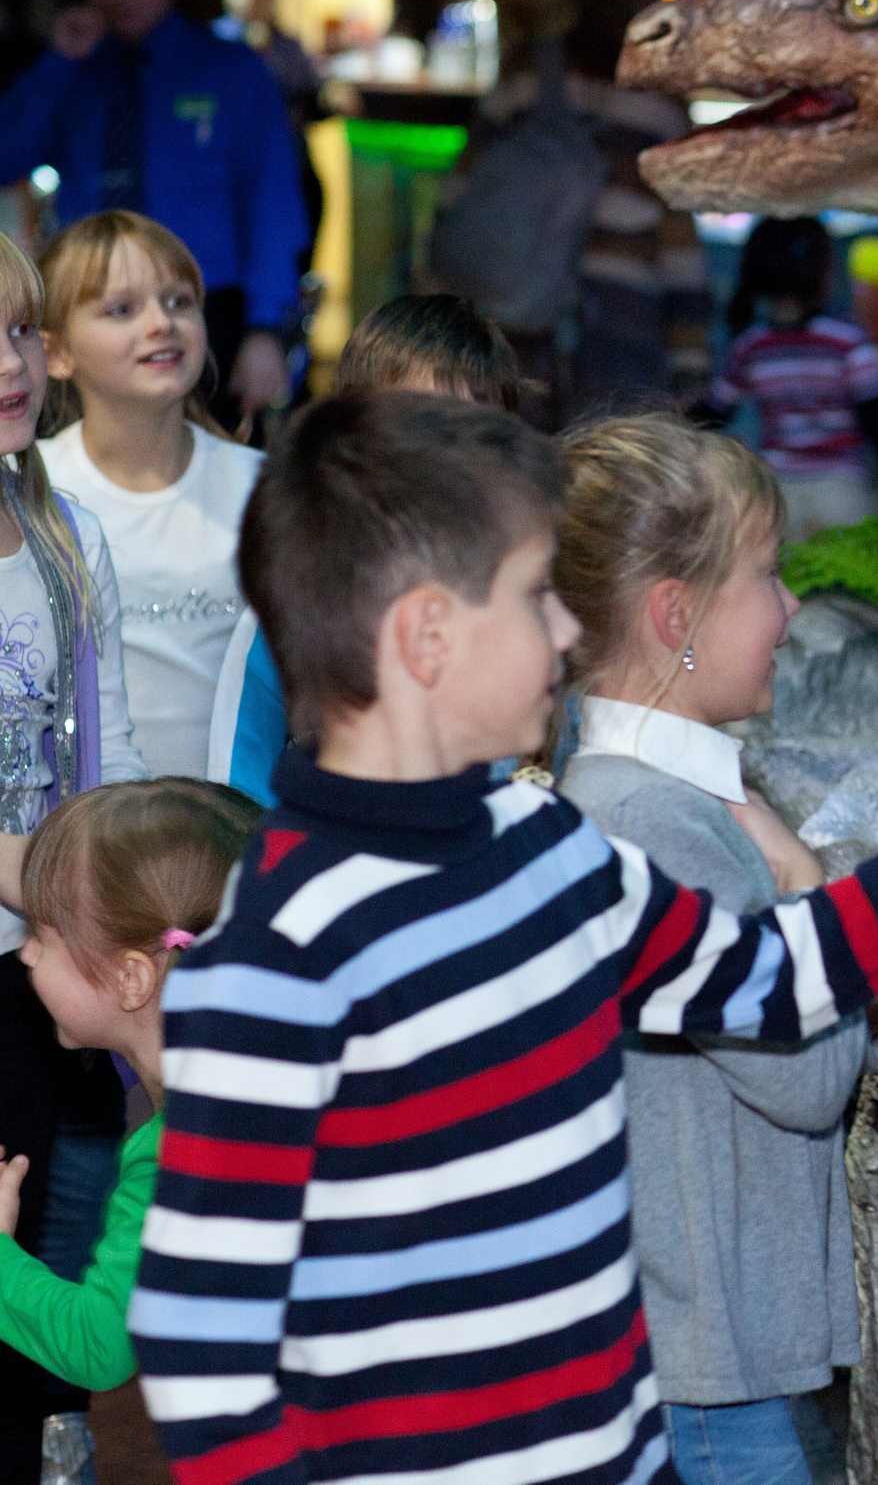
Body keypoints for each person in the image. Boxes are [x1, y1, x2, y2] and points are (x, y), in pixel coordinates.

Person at [129, 391, 878, 1485]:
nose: (568, 631)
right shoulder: (273, 956)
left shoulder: (549, 851)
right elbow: (205, 1335)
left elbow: (774, 976)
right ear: (427, 636)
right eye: (533, 598)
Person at [552, 414, 878, 1485]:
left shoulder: (646, 796)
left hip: (701, 1350)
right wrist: (801, 875)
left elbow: (741, 1011)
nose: (790, 606)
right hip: (703, 1365)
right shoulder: (654, 818)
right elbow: (801, 1078)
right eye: (766, 574)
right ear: (676, 615)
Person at [0, 233, 147, 1484]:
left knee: (56, 1227)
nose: (9, 364)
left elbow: (112, 754)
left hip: (50, 964)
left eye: (15, 333)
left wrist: (117, 902)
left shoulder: (63, 534)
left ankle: (49, 1438)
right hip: (33, 918)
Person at [205, 292, 523, 805]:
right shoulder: (293, 603)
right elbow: (239, 787)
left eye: (471, 432)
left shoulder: (524, 604)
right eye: (415, 424)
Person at [0, 0, 306, 429]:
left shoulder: (232, 71)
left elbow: (273, 205)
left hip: (204, 309)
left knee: (211, 464)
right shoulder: (72, 70)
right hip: (88, 307)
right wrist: (57, 63)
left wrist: (266, 332)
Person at [0, 780, 260, 1397]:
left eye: (44, 934)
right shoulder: (264, 1095)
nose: (27, 955)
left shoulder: (180, 1150)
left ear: (132, 979)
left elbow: (99, 1342)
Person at [37, 212, 265, 782]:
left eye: (179, 302)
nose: (162, 324)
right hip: (86, 821)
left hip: (237, 817)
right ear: (55, 353)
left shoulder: (263, 488)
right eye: (121, 310)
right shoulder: (33, 489)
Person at [478, 0, 707, 422]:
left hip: (518, 304)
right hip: (625, 313)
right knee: (610, 462)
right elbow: (678, 242)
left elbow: (468, 188)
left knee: (517, 457)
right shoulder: (659, 98)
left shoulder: (528, 72)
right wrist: (691, 358)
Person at [698, 217, 878, 539]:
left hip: (779, 496)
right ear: (824, 272)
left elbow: (714, 411)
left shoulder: (751, 346)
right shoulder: (847, 340)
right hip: (841, 492)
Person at [213, 0, 326, 258]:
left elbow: (311, 96)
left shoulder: (287, 45)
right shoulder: (211, 46)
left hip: (291, 170)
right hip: (231, 178)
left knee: (295, 257)